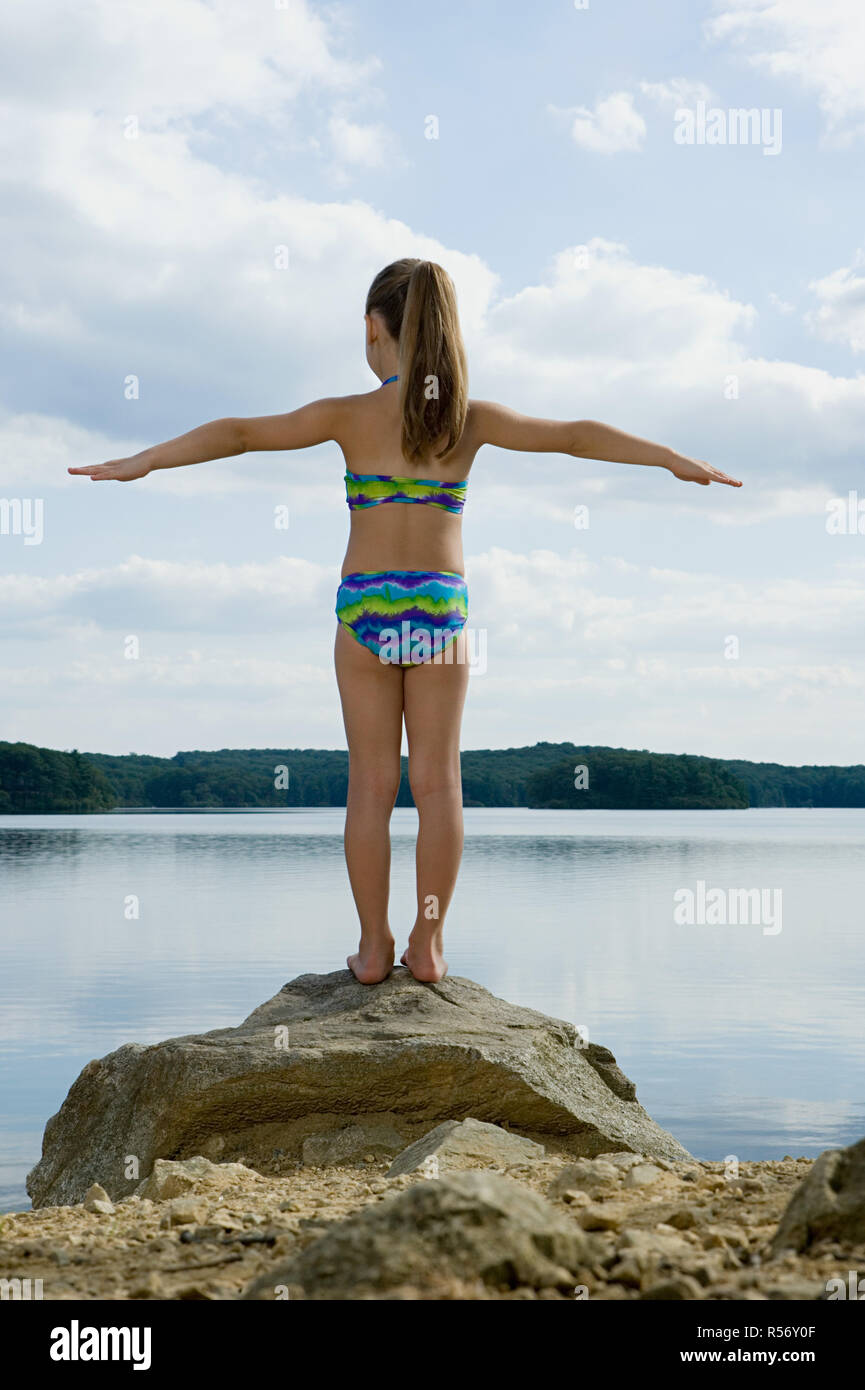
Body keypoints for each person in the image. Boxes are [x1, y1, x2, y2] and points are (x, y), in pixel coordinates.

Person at [69, 257, 741, 986]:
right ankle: (427, 946)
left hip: (364, 604)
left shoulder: (348, 416)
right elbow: (574, 436)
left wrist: (147, 460)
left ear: (373, 329)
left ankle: (370, 948)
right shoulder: (467, 418)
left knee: (370, 786)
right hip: (439, 610)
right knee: (438, 785)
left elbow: (237, 433)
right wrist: (670, 458)